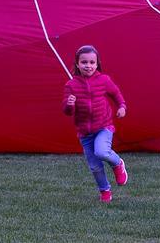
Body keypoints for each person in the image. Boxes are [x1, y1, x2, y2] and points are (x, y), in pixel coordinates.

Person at [63, 45, 128, 202]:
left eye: (92, 62)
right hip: (85, 132)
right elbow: (67, 112)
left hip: (103, 127)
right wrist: (69, 104)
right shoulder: (71, 85)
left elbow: (116, 93)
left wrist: (122, 106)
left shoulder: (104, 80)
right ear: (77, 64)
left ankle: (118, 163)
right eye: (84, 62)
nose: (88, 66)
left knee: (102, 152)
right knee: (95, 166)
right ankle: (105, 191)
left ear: (97, 63)